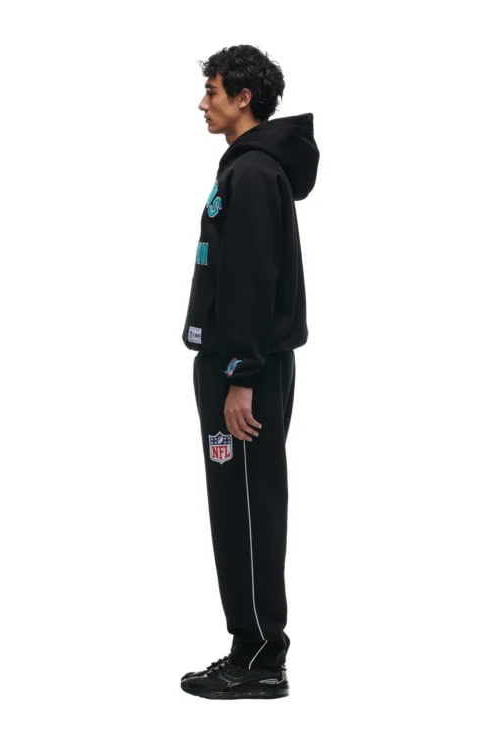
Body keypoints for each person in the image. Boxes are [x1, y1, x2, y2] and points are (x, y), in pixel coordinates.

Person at [180, 44, 319, 700]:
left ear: (243, 98)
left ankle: (260, 656)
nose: (201, 104)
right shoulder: (247, 167)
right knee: (236, 506)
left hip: (246, 373)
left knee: (247, 507)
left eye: (211, 91)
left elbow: (252, 284)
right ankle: (251, 646)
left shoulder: (256, 173)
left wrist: (240, 376)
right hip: (237, 365)